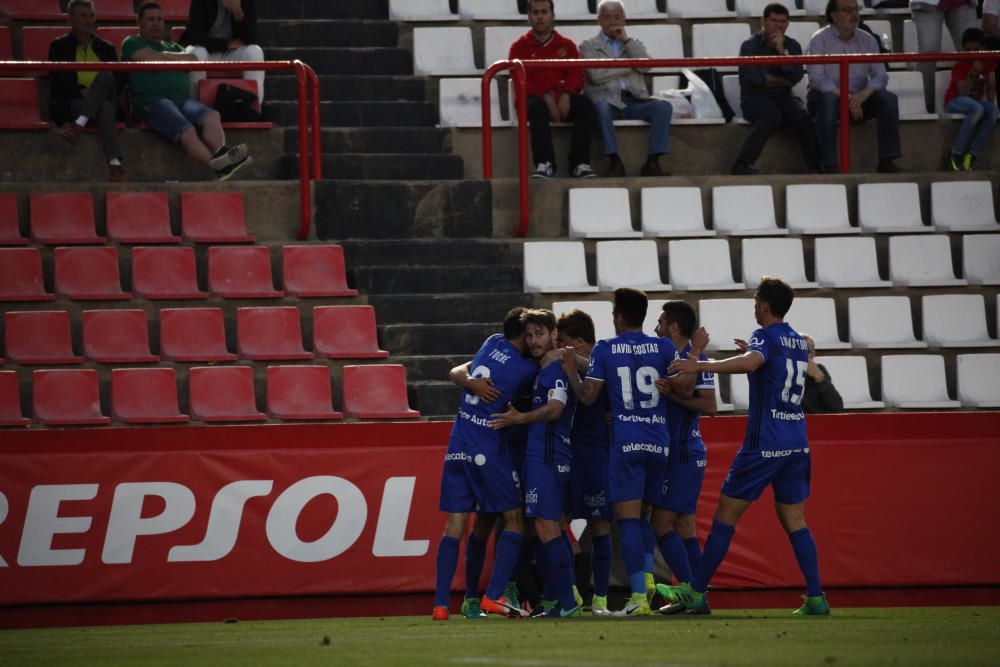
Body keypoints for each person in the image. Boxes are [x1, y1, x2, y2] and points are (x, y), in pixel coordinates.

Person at [659, 277, 830, 617]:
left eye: (755, 301)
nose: (754, 306)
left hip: (764, 443)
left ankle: (696, 592)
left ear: (764, 305)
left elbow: (753, 363)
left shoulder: (764, 336)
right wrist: (749, 356)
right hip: (797, 442)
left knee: (725, 516)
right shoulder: (797, 341)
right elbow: (766, 366)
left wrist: (701, 364)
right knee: (795, 519)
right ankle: (816, 598)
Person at [562, 288, 695, 616]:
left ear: (618, 316)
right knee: (647, 516)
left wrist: (570, 373)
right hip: (659, 444)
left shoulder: (606, 349)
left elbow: (590, 396)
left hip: (627, 444)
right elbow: (687, 388)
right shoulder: (664, 346)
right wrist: (668, 387)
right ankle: (648, 578)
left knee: (628, 520)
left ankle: (638, 596)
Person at [432, 308, 539, 621]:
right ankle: (492, 596)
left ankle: (440, 605)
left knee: (454, 525)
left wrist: (469, 381)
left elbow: (458, 371)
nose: (534, 340)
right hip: (488, 446)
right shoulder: (526, 368)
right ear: (523, 335)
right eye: (530, 334)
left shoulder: (491, 342)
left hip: (457, 443)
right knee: (514, 518)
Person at [489, 309, 581, 618]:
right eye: (529, 335)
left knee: (545, 528)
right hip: (544, 456)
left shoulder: (555, 370)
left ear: (554, 334)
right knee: (549, 527)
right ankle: (559, 601)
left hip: (549, 456)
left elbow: (555, 409)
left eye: (539, 333)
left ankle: (568, 602)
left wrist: (520, 418)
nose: (533, 340)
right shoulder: (545, 368)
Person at [122, 2, 252, 180]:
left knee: (212, 116)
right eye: (150, 19)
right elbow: (144, 57)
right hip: (151, 102)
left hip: (181, 101)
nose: (156, 23)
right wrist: (173, 60)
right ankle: (217, 165)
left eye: (159, 19)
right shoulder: (131, 42)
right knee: (187, 129)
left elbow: (191, 59)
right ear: (139, 22)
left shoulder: (173, 46)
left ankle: (221, 152)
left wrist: (162, 57)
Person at [651, 301, 716, 614]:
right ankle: (698, 598)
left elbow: (709, 406)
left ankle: (692, 591)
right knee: (685, 526)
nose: (656, 327)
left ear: (673, 327)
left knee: (660, 524)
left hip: (682, 454)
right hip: (682, 454)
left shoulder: (694, 359)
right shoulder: (674, 358)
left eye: (661, 321)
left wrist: (672, 395)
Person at [554, 309, 613, 616]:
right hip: (564, 453)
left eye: (561, 341)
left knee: (599, 523)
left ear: (578, 342)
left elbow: (600, 373)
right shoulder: (562, 366)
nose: (556, 346)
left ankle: (600, 599)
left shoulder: (602, 360)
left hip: (594, 456)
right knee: (555, 521)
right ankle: (572, 592)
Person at [578, 0, 672, 177]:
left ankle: (653, 162)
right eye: (607, 18)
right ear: (599, 20)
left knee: (663, 107)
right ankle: (614, 161)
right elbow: (596, 76)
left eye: (617, 17)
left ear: (624, 20)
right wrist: (628, 65)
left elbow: (646, 66)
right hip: (607, 100)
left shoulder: (633, 43)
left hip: (635, 100)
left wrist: (626, 41)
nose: (613, 22)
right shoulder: (587, 46)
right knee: (600, 108)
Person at [806, 0, 902, 173]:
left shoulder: (868, 40)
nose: (854, 15)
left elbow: (880, 75)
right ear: (834, 16)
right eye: (847, 10)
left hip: (860, 96)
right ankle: (830, 163)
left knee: (888, 99)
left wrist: (863, 95)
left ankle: (887, 160)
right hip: (829, 97)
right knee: (826, 99)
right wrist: (848, 99)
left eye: (856, 9)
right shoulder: (819, 39)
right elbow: (817, 79)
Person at [509, 0, 597, 179]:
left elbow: (575, 74)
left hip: (561, 96)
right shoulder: (519, 47)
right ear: (529, 17)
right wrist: (546, 96)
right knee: (536, 108)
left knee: (585, 106)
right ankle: (545, 163)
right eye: (535, 12)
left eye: (544, 12)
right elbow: (520, 81)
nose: (540, 17)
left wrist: (566, 93)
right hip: (534, 98)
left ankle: (579, 163)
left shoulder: (567, 45)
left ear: (553, 16)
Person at [732, 2, 821, 175]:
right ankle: (742, 164)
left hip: (784, 97)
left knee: (802, 116)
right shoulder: (749, 46)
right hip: (754, 98)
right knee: (771, 115)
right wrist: (783, 80)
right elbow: (757, 80)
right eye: (773, 21)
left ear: (787, 24)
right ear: (763, 21)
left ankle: (815, 166)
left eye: (782, 22)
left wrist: (782, 52)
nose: (778, 25)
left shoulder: (792, 46)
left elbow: (795, 78)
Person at [48, 0, 127, 182]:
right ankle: (115, 165)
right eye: (83, 16)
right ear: (71, 20)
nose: (89, 20)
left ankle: (78, 127)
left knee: (106, 75)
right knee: (104, 107)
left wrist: (95, 91)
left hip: (102, 96)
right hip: (75, 101)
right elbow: (58, 80)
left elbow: (119, 80)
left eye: (91, 15)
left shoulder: (106, 48)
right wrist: (82, 91)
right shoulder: (58, 46)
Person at [180, 0, 266, 104]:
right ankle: (195, 106)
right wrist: (225, 44)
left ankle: (254, 107)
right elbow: (193, 36)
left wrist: (238, 14)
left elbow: (251, 38)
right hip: (208, 50)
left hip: (232, 52)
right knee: (196, 53)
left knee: (254, 51)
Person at [943, 28, 997, 171]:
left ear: (984, 48)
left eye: (976, 49)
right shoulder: (960, 65)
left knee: (993, 111)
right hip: (955, 101)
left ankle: (971, 154)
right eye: (968, 50)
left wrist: (990, 110)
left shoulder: (987, 61)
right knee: (977, 109)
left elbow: (991, 88)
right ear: (962, 49)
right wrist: (973, 72)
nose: (972, 53)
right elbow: (963, 93)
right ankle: (955, 152)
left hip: (975, 102)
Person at [909, 0, 978, 111]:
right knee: (928, 53)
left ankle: (976, 103)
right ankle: (925, 107)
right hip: (926, 3)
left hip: (963, 2)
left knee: (973, 52)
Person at [800, 334, 844, 414]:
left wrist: (820, 378)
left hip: (813, 422)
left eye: (805, 351)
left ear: (812, 355)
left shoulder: (819, 370)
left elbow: (837, 408)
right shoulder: (780, 371)